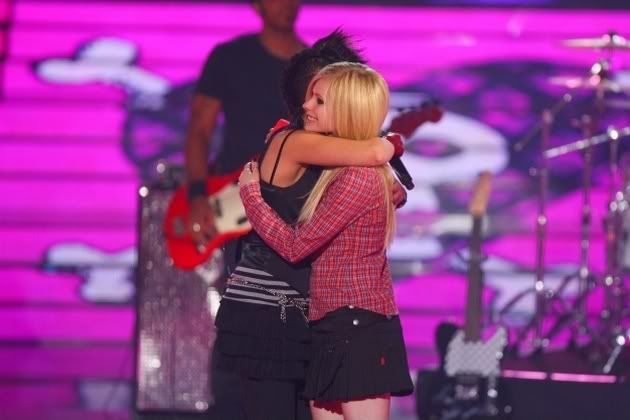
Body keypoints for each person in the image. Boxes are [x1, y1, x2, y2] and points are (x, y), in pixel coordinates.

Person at [212, 32, 403, 420]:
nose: (310, 105)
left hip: (317, 312)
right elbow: (372, 150)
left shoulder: (336, 158)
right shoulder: (295, 140)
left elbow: (372, 185)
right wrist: (391, 145)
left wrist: (385, 186)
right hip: (274, 308)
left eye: (324, 97)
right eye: (314, 94)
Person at [184, 0, 305, 252]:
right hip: (234, 203)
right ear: (257, 5)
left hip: (293, 209)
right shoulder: (229, 57)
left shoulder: (315, 68)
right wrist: (197, 195)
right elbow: (199, 130)